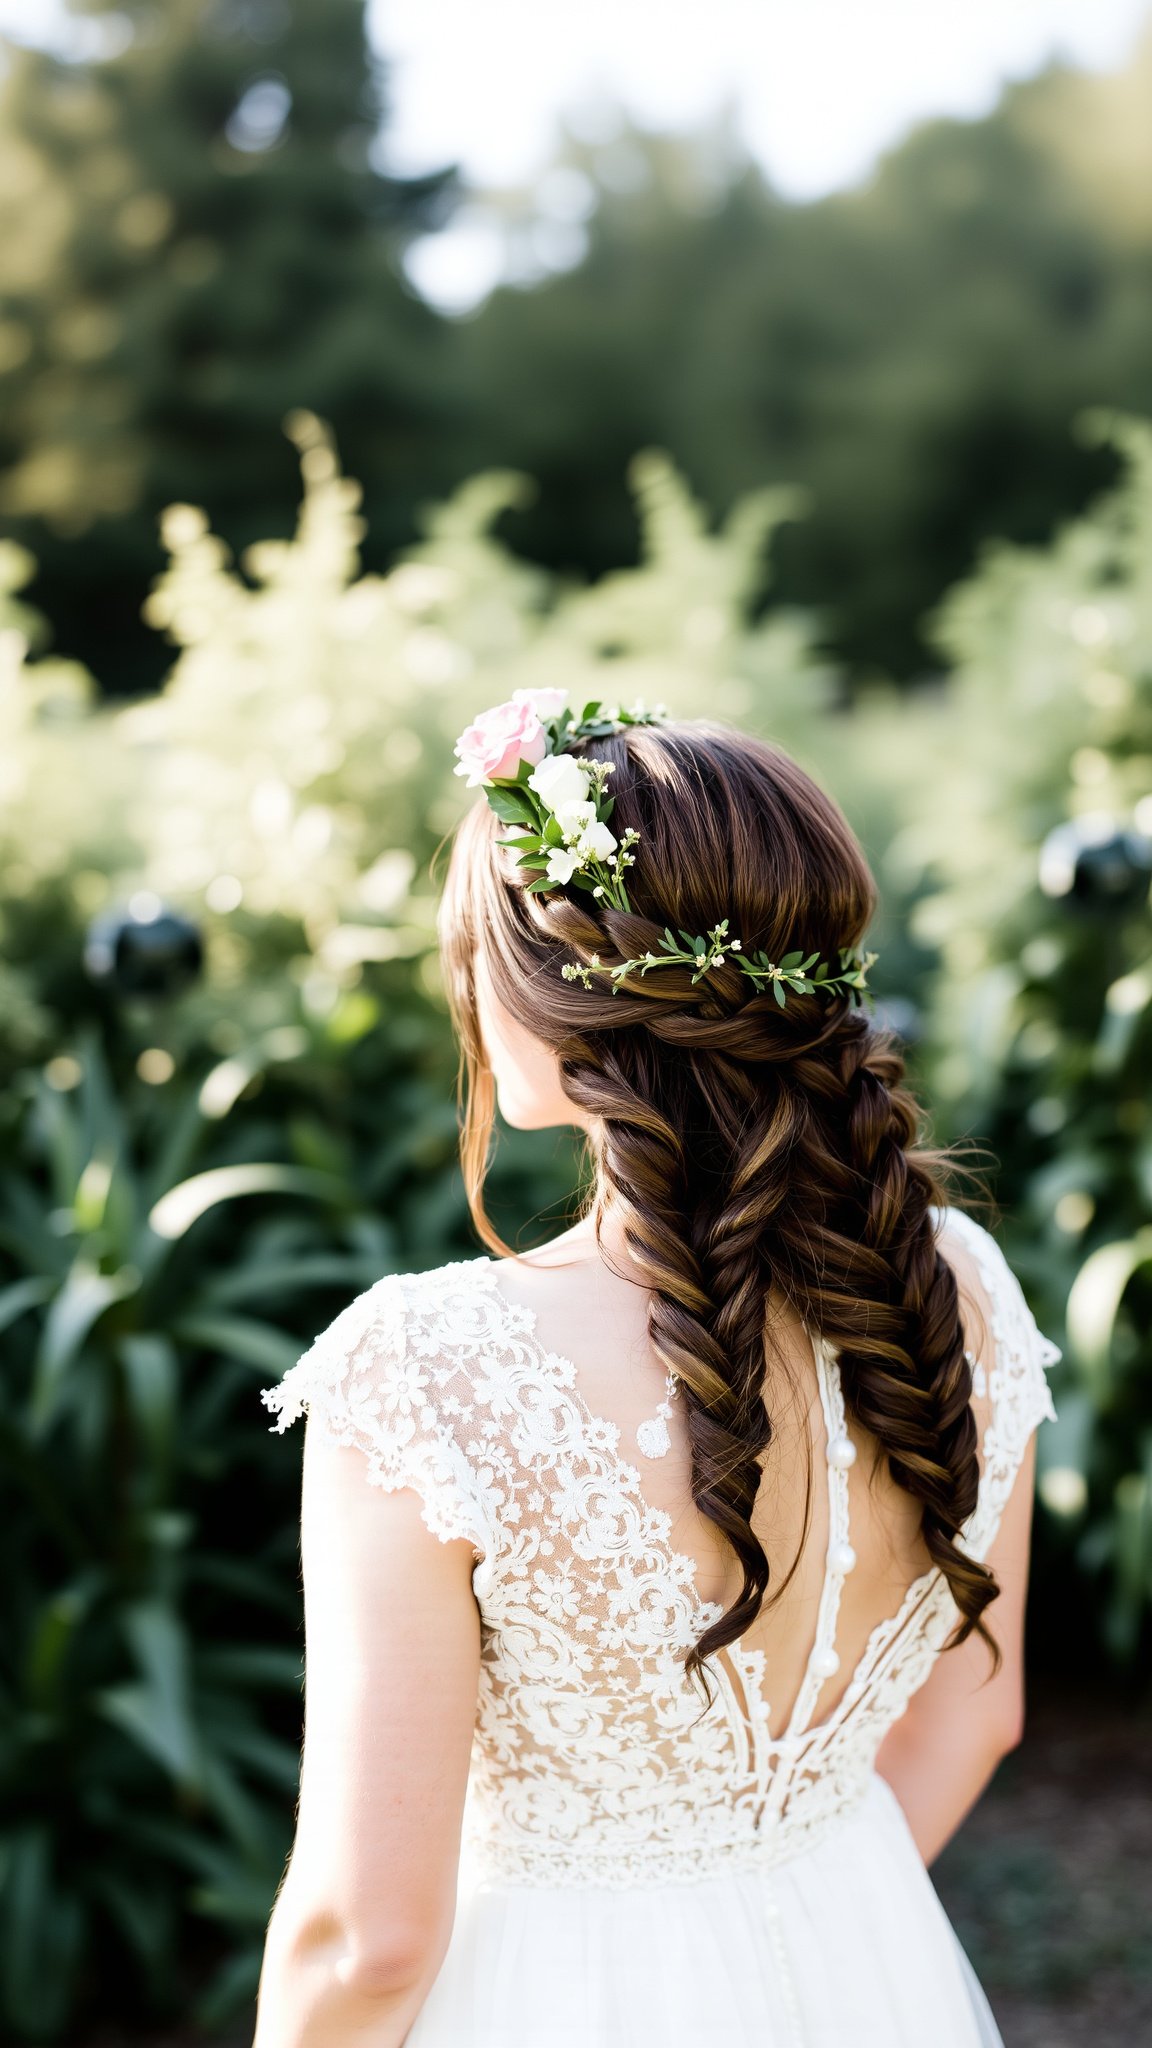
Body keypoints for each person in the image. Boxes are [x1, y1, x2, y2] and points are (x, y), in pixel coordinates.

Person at [253, 693, 1060, 2048]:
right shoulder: (956, 1281)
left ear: (555, 991)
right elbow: (976, 1719)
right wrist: (786, 1951)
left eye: (475, 950)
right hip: (863, 1970)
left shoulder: (427, 1374)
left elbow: (371, 1936)